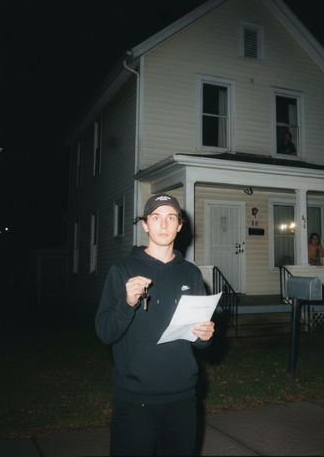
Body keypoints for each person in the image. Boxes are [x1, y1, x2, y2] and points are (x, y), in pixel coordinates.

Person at [95, 192, 215, 456]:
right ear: (145, 225)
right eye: (156, 217)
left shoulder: (191, 273)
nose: (163, 224)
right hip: (135, 400)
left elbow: (200, 341)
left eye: (171, 218)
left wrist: (204, 335)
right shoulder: (123, 270)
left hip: (183, 398)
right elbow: (105, 332)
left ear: (179, 226)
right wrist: (127, 302)